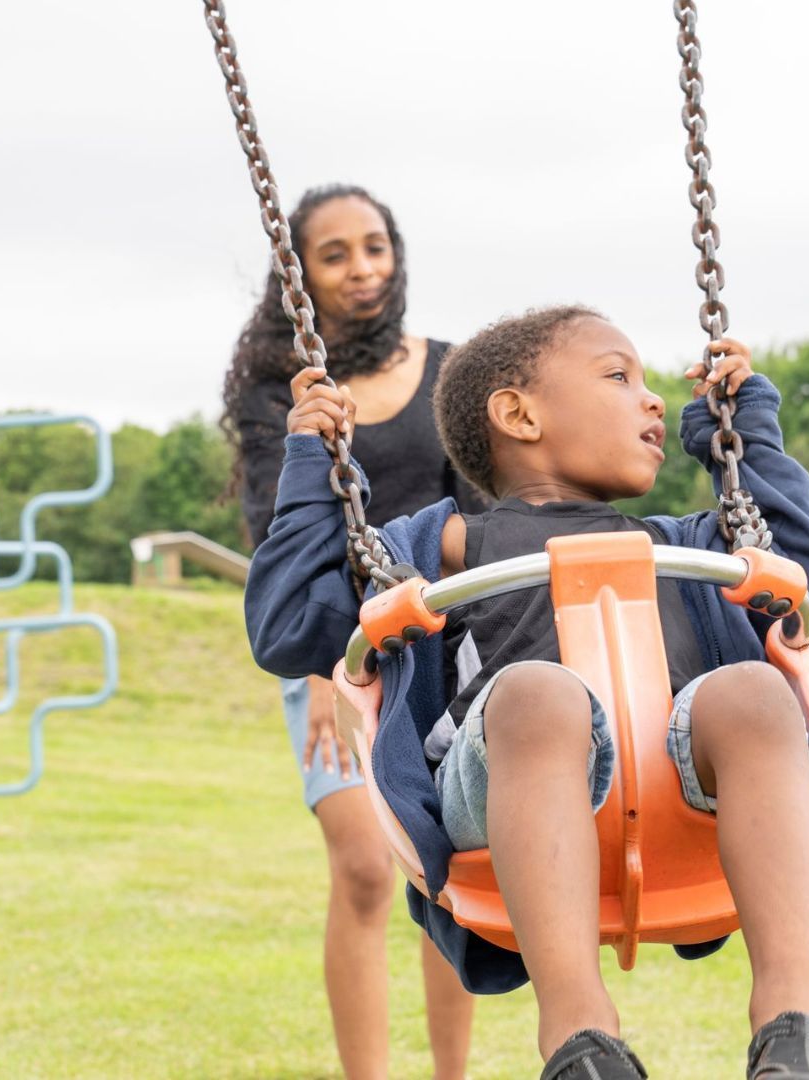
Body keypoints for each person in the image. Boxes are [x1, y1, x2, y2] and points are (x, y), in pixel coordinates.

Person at [245, 305, 809, 1079]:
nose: (654, 398)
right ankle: (579, 1040)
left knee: (755, 693)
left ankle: (793, 1033)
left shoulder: (684, 544)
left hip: (678, 788)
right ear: (517, 415)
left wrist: (745, 435)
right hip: (498, 797)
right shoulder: (436, 550)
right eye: (617, 375)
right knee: (538, 692)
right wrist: (313, 463)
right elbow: (290, 623)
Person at [223, 184, 482, 1079]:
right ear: (299, 273)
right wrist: (332, 674)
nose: (362, 268)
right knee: (368, 869)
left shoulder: (452, 369)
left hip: (449, 646)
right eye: (334, 255)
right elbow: (283, 535)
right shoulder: (281, 390)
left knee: (447, 869)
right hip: (338, 651)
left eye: (374, 246)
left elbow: (477, 518)